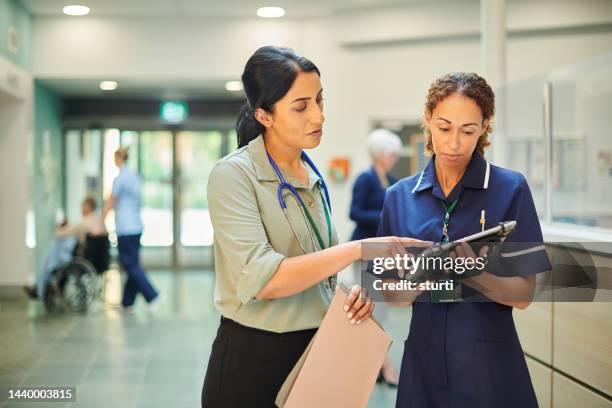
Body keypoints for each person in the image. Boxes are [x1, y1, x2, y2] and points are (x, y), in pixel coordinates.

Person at [201, 46, 411, 407]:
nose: (318, 116)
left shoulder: (311, 174)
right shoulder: (233, 175)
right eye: (301, 106)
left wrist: (342, 297)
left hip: (315, 351)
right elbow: (265, 279)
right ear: (264, 115)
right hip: (253, 358)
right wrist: (359, 249)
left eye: (319, 100)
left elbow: (316, 263)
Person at [378, 73, 550, 407]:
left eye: (468, 130)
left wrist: (474, 273)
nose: (454, 143)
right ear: (427, 120)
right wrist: (418, 277)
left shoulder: (511, 189)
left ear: (485, 126)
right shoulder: (398, 197)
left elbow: (526, 293)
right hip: (422, 363)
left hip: (489, 364)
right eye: (444, 128)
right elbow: (390, 293)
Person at [349, 128, 402, 387]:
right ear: (380, 153)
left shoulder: (391, 178)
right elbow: (355, 212)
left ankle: (377, 364)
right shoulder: (365, 179)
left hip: (383, 254)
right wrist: (383, 218)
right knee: (369, 310)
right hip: (364, 251)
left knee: (379, 310)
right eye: (392, 153)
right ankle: (383, 365)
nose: (394, 158)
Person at [103, 148, 160, 311]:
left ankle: (152, 295)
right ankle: (127, 303)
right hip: (136, 226)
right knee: (132, 264)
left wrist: (101, 219)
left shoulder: (120, 178)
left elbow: (111, 201)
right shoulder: (134, 176)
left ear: (119, 158)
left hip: (126, 228)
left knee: (130, 265)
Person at [24, 197, 106, 299]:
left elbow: (71, 230)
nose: (81, 209)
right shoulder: (95, 220)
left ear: (88, 207)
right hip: (85, 256)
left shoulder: (90, 220)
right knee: (56, 249)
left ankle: (40, 287)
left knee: (54, 247)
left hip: (83, 257)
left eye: (83, 207)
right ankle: (42, 285)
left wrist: (59, 231)